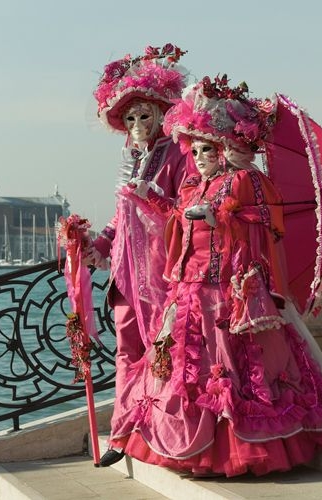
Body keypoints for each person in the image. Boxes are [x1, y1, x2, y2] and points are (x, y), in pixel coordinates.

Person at [107, 75, 322, 477]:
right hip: (190, 291)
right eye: (195, 149)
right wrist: (147, 196)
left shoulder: (245, 180)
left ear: (226, 150)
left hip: (227, 290)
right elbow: (176, 223)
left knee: (239, 373)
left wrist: (221, 218)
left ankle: (238, 445)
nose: (198, 157)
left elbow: (263, 222)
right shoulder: (194, 187)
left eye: (207, 149)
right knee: (181, 369)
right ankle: (186, 441)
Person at [85, 43, 195, 467]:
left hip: (165, 274)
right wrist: (96, 243)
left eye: (143, 115)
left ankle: (166, 433)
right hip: (127, 274)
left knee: (166, 350)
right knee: (127, 351)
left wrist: (155, 200)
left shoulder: (180, 155)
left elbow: (186, 210)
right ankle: (123, 432)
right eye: (129, 118)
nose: (136, 124)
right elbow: (120, 219)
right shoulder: (133, 160)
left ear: (161, 114)